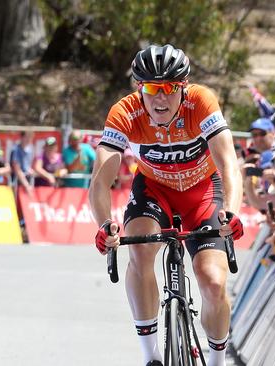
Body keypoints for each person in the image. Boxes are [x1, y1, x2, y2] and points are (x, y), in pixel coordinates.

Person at [89, 44, 243, 366]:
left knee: (213, 281)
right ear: (139, 87)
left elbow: (228, 163)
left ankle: (216, 361)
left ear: (183, 87)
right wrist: (105, 225)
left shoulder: (201, 102)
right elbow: (100, 180)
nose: (161, 98)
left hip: (203, 191)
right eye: (152, 88)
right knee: (140, 252)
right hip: (154, 190)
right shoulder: (124, 113)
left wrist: (232, 211)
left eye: (170, 88)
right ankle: (151, 357)